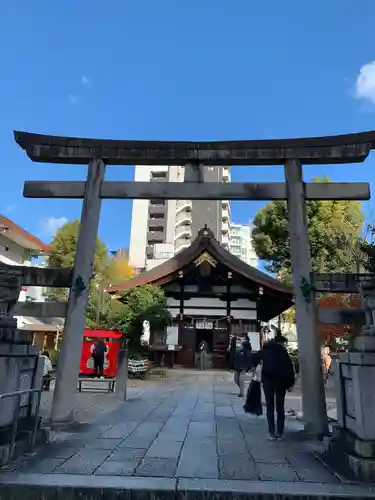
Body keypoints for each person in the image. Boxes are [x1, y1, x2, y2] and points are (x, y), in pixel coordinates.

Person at [253, 334, 295, 440]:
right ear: (280, 342)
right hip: (280, 381)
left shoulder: (265, 349)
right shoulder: (282, 351)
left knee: (270, 407)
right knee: (280, 407)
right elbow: (289, 367)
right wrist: (290, 383)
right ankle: (279, 432)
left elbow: (254, 359)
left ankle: (271, 432)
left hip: (267, 381)